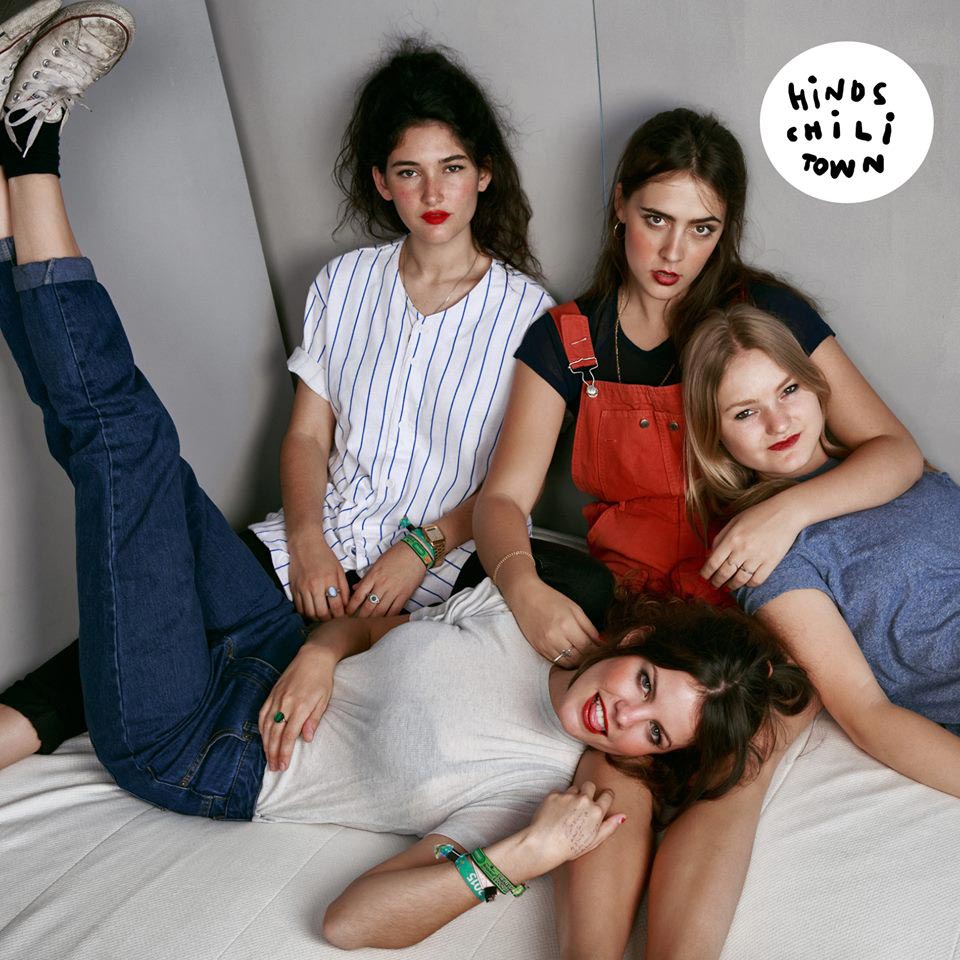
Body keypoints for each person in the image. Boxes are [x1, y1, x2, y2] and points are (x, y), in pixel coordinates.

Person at [0, 15, 815, 941]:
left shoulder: (529, 787)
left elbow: (353, 924)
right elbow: (338, 482)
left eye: (652, 734)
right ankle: (15, 177)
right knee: (131, 448)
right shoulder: (529, 619)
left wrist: (522, 856)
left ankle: (29, 153)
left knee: (122, 446)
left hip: (202, 743)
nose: (622, 712)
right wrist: (319, 642)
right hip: (276, 625)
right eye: (644, 683)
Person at [0, 28, 551, 765]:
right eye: (408, 171)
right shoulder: (345, 282)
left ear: (484, 173)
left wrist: (420, 550)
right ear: (381, 182)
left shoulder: (533, 318)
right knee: (151, 591)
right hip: (302, 552)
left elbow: (508, 487)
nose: (432, 193)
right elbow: (307, 438)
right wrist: (307, 540)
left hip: (426, 585)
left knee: (130, 483)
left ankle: (21, 156)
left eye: (451, 168)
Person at [469, 107, 923, 960]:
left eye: (702, 228)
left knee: (734, 770)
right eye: (656, 219)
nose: (674, 251)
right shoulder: (568, 340)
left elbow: (895, 452)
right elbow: (500, 500)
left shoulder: (761, 316)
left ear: (726, 230)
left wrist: (787, 510)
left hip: (766, 606)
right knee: (612, 768)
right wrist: (523, 586)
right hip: (643, 612)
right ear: (619, 205)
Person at [682, 303, 960, 797]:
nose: (778, 422)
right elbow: (867, 714)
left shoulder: (898, 465)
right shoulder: (766, 555)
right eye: (745, 412)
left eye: (788, 390)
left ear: (815, 385)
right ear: (714, 434)